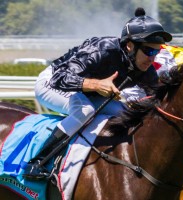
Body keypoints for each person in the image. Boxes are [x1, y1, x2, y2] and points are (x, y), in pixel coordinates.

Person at [23, 7, 172, 180]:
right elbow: (59, 78)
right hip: (52, 84)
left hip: (86, 93)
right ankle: (37, 162)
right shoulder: (102, 49)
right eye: (149, 51)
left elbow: (160, 100)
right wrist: (95, 84)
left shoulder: (145, 69)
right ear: (130, 45)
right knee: (85, 111)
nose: (152, 58)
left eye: (157, 51)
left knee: (125, 114)